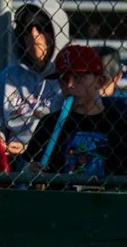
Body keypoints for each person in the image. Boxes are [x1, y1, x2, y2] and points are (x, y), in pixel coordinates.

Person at [21, 44, 127, 178]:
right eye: (63, 79)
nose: (69, 85)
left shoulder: (119, 125)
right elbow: (28, 166)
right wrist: (30, 171)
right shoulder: (50, 123)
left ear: (99, 81)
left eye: (78, 77)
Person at [0, 0, 68, 156]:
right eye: (26, 28)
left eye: (42, 27)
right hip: (10, 155)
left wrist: (28, 149)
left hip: (51, 156)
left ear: (58, 31)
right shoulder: (9, 76)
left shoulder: (69, 80)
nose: (34, 35)